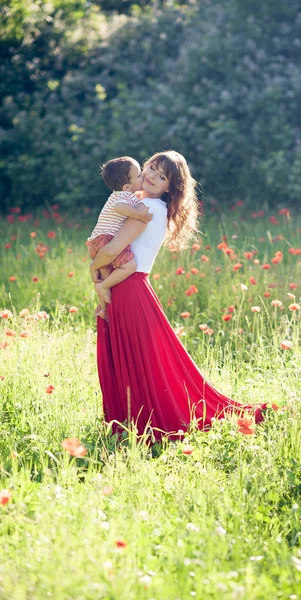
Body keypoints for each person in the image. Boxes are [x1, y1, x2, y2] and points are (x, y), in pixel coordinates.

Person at [90, 150, 265, 441]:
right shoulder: (137, 202)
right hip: (126, 285)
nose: (152, 177)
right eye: (152, 169)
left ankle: (146, 421)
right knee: (136, 359)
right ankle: (132, 421)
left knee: (141, 362)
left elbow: (109, 251)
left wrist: (93, 269)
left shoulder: (150, 210)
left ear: (170, 187)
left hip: (130, 288)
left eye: (162, 177)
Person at [87, 156, 153, 319]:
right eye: (139, 175)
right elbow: (120, 208)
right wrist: (138, 214)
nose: (143, 175)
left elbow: (136, 202)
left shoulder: (121, 194)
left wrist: (139, 206)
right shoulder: (123, 197)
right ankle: (103, 287)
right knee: (129, 266)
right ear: (126, 186)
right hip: (106, 239)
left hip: (96, 240)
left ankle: (104, 310)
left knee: (106, 275)